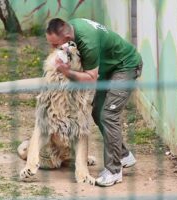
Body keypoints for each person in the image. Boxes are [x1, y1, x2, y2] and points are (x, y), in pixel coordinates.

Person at [45, 18, 143, 187]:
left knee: (108, 114)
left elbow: (90, 79)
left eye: (56, 45)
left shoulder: (87, 41)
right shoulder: (73, 29)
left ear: (68, 39)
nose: (53, 49)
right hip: (110, 68)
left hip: (125, 66)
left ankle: (113, 171)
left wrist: (66, 72)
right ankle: (123, 154)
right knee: (97, 111)